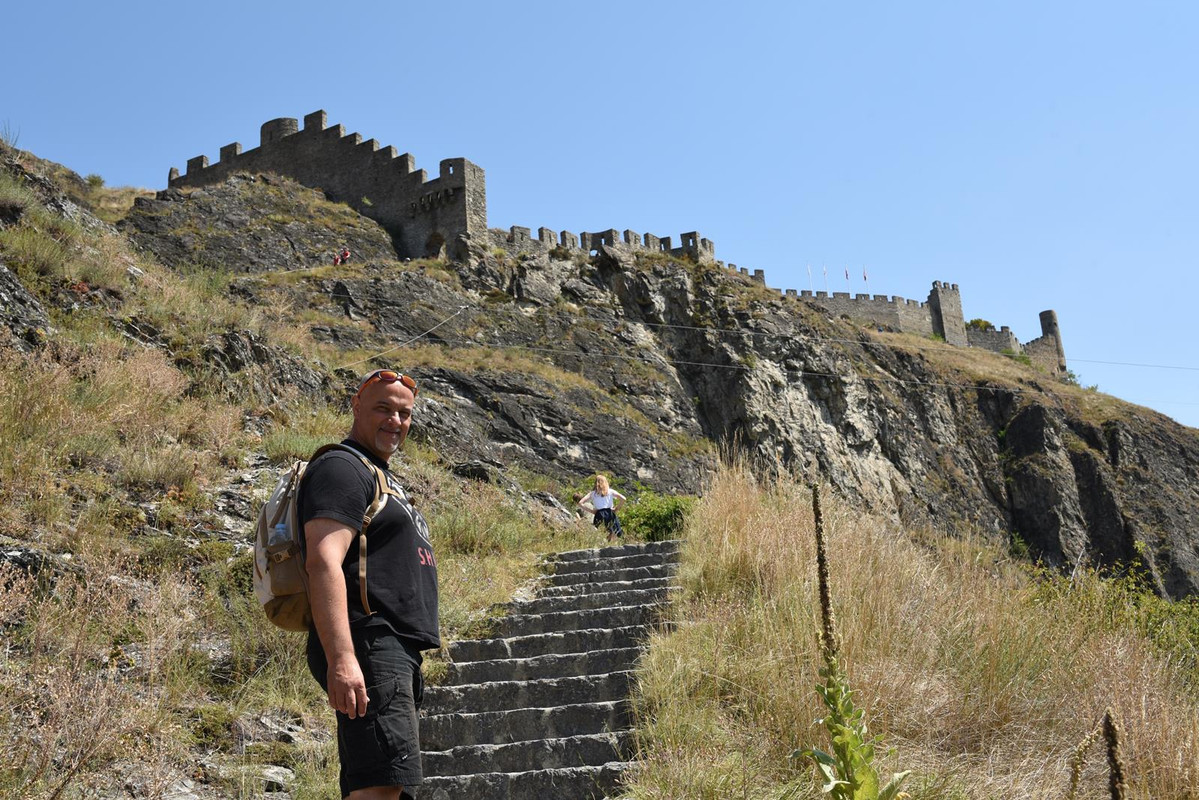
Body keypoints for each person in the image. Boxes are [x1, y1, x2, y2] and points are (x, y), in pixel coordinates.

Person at [301, 368, 438, 800]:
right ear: (356, 407)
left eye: (404, 413)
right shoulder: (343, 467)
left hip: (392, 651)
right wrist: (342, 658)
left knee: (386, 786)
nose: (394, 421)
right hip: (369, 644)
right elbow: (322, 562)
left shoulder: (381, 477)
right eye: (383, 408)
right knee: (379, 788)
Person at [578, 473, 626, 543]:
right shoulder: (610, 491)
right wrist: (616, 509)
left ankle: (605, 544)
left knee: (602, 533)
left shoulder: (592, 493)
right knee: (614, 531)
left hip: (599, 514)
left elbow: (580, 503)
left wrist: (592, 511)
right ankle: (610, 545)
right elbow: (623, 499)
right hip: (609, 513)